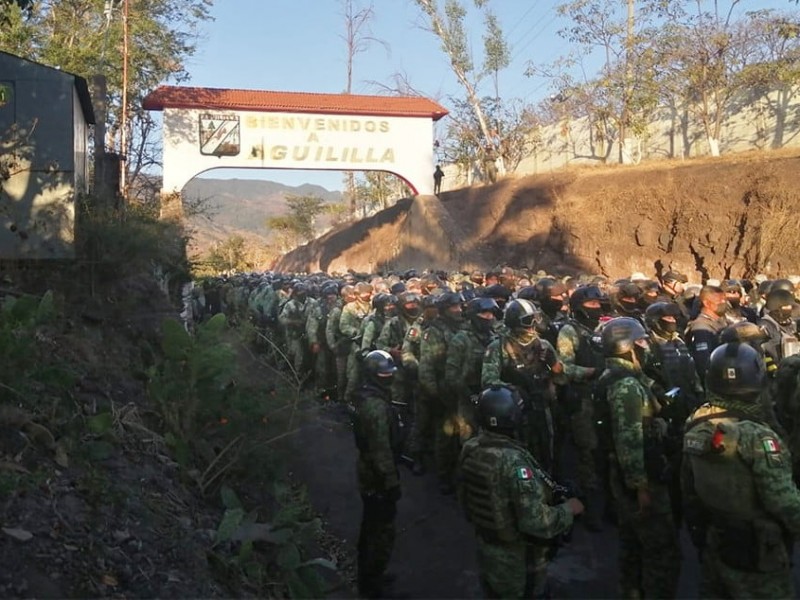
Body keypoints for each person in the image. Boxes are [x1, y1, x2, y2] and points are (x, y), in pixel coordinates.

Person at [682, 342, 800, 599]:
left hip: (717, 539)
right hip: (757, 552)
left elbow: (688, 486)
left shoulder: (697, 420)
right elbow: (783, 501)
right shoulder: (758, 436)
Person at [457, 384, 584, 599]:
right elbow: (536, 522)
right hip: (517, 562)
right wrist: (568, 510)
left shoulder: (471, 448)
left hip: (487, 549)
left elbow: (465, 500)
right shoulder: (514, 462)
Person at [599, 317, 681, 598]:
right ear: (626, 347)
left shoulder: (625, 375)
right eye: (641, 342)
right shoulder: (626, 386)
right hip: (641, 475)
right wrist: (640, 487)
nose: (646, 346)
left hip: (628, 471)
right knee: (660, 550)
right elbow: (629, 439)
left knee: (632, 543)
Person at [353, 350, 405, 599]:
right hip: (376, 477)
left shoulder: (372, 397)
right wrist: (391, 482)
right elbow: (380, 450)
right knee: (379, 532)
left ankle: (370, 575)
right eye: (384, 374)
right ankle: (371, 584)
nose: (389, 378)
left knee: (372, 528)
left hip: (371, 472)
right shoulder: (374, 406)